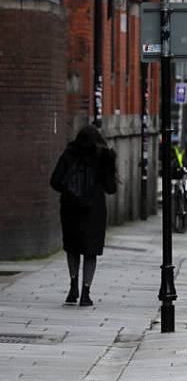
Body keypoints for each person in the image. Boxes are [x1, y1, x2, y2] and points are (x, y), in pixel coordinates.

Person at [50, 124, 117, 307]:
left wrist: (70, 190)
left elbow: (54, 181)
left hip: (70, 209)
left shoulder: (68, 154)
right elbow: (111, 189)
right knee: (90, 252)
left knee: (72, 248)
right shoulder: (103, 156)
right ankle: (86, 293)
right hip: (93, 210)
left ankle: (73, 287)